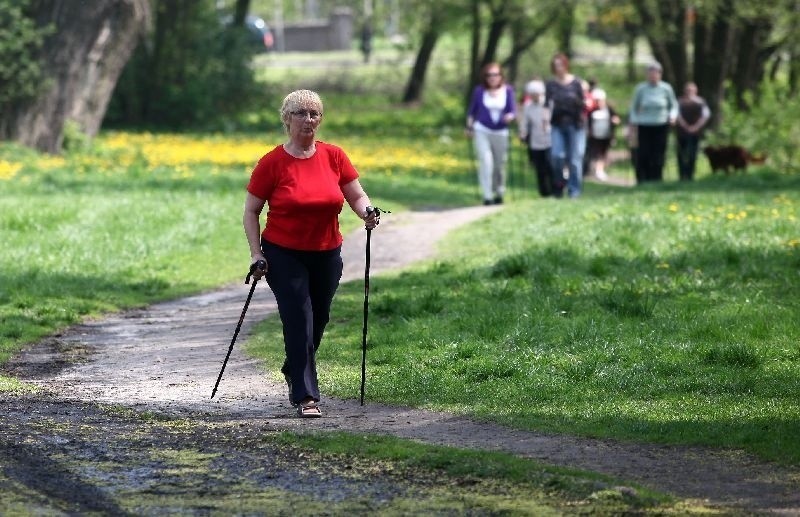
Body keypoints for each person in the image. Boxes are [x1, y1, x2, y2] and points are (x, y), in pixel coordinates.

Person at [243, 89, 380, 418]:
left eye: (314, 114)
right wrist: (255, 253)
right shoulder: (272, 163)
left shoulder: (334, 156)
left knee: (319, 319)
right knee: (299, 320)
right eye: (301, 113)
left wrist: (367, 212)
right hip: (283, 254)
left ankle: (294, 366)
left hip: (326, 253)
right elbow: (251, 212)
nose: (309, 119)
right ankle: (306, 396)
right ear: (287, 119)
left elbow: (356, 195)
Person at [465, 62, 516, 205]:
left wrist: (510, 116)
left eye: (495, 75)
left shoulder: (508, 90)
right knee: (486, 162)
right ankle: (487, 195)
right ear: (485, 77)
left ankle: (499, 191)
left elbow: (512, 110)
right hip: (482, 129)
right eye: (489, 75)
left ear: (501, 76)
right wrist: (469, 128)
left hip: (501, 131)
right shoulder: (479, 91)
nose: (492, 78)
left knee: (500, 164)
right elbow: (472, 112)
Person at [628, 61, 678, 183]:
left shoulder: (666, 88)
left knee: (659, 153)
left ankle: (656, 178)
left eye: (655, 74)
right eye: (650, 74)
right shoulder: (641, 88)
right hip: (644, 125)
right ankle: (642, 178)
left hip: (661, 125)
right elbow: (633, 108)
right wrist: (634, 122)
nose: (653, 77)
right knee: (644, 153)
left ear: (660, 74)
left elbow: (674, 106)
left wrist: (672, 116)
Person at [545, 53, 586, 198]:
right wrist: (545, 122)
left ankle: (574, 190)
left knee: (574, 159)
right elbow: (546, 106)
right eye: (555, 66)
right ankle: (559, 185)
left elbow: (584, 104)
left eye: (560, 65)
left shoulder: (576, 83)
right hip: (556, 124)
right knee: (557, 156)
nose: (558, 68)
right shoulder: (550, 84)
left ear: (566, 65)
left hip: (575, 125)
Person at [518, 79, 554, 197]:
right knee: (540, 168)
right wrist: (523, 133)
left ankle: (555, 189)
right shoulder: (528, 107)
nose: (534, 96)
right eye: (532, 94)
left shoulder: (549, 104)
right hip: (535, 141)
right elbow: (524, 122)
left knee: (550, 165)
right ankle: (543, 192)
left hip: (550, 139)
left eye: (536, 94)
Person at [675, 81, 711, 181]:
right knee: (681, 154)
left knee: (692, 154)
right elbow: (677, 115)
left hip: (695, 133)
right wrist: (685, 126)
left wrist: (695, 127)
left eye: (691, 90)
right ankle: (682, 175)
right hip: (682, 133)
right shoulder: (679, 102)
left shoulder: (701, 102)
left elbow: (705, 115)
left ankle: (690, 175)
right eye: (687, 90)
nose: (689, 91)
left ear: (696, 90)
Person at [586, 89, 621, 181]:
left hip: (606, 135)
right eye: (596, 101)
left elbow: (616, 118)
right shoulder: (591, 111)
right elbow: (588, 122)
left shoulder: (609, 109)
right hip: (594, 136)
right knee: (594, 154)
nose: (599, 102)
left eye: (600, 100)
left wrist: (615, 121)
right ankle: (591, 170)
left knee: (603, 153)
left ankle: (600, 170)